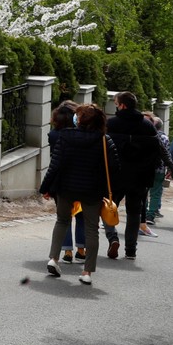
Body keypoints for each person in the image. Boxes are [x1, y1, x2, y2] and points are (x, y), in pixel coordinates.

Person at [39, 103, 121, 285]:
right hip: (92, 190)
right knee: (92, 228)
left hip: (66, 187)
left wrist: (45, 187)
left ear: (79, 120)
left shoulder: (65, 136)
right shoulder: (104, 140)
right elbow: (115, 167)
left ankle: (54, 258)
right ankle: (87, 272)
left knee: (62, 221)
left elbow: (55, 165)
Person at [104, 92, 173, 260]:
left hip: (115, 175)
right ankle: (131, 249)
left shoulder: (111, 124)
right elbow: (161, 149)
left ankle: (112, 237)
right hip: (140, 176)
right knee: (134, 213)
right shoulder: (147, 125)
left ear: (122, 105)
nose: (116, 106)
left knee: (107, 208)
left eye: (116, 103)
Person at [47, 101, 86, 264]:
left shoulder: (53, 135)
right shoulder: (83, 134)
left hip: (60, 181)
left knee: (64, 217)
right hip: (82, 180)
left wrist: (47, 186)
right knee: (82, 215)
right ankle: (81, 250)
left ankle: (67, 251)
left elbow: (53, 161)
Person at [145, 115, 173, 226]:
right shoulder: (164, 138)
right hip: (160, 169)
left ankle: (143, 212)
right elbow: (167, 154)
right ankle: (151, 215)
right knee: (156, 193)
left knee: (144, 191)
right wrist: (170, 168)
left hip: (146, 168)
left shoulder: (145, 135)